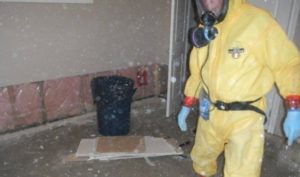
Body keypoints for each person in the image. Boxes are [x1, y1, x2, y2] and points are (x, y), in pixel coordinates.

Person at [177, 0, 300, 177]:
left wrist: (294, 107)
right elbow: (198, 70)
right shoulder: (206, 25)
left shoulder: (257, 22)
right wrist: (187, 103)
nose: (208, 2)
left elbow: (287, 64)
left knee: (243, 171)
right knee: (202, 159)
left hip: (245, 116)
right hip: (210, 112)